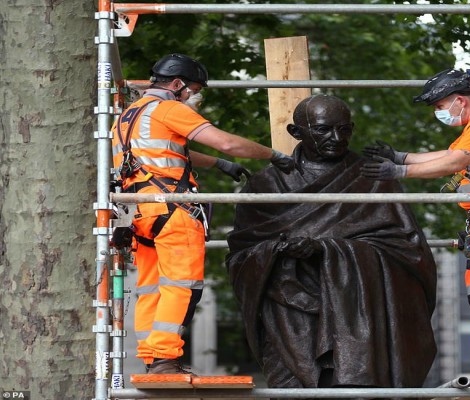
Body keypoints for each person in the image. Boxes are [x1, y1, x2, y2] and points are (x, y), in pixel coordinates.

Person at [225, 94, 437, 390]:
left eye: (345, 129)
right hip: (290, 313)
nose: (337, 138)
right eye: (324, 130)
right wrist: (278, 250)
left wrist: (327, 249)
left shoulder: (374, 178)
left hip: (358, 312)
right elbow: (241, 256)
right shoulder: (265, 186)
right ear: (296, 133)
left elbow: (408, 252)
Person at [111, 53, 297, 375]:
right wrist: (274, 155)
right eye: (194, 90)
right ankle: (166, 358)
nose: (195, 98)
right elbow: (226, 142)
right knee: (182, 285)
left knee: (152, 287)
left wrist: (217, 165)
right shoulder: (169, 108)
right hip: (174, 212)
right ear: (177, 85)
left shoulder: (128, 117)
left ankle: (154, 358)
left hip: (141, 213)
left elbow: (170, 148)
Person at [361, 68, 470, 385]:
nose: (438, 114)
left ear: (459, 100)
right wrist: (401, 157)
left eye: (439, 107)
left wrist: (399, 171)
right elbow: (450, 154)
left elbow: (453, 162)